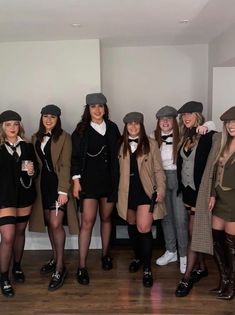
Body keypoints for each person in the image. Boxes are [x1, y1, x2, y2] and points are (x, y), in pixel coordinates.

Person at [29, 104, 79, 291]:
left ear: (58, 119)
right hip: (43, 187)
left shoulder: (64, 137)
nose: (48, 120)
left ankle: (60, 267)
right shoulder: (35, 137)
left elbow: (66, 164)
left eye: (53, 117)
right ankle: (55, 257)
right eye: (45, 116)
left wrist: (63, 191)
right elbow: (36, 163)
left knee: (57, 223)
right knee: (50, 223)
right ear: (41, 118)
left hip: (59, 186)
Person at [71, 93, 120, 285]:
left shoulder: (113, 127)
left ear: (105, 108)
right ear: (88, 109)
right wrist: (76, 181)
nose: (97, 110)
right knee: (87, 222)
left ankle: (105, 254)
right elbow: (75, 158)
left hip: (109, 182)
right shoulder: (81, 130)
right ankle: (82, 266)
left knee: (107, 218)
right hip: (89, 182)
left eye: (100, 106)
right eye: (93, 107)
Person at [117, 111, 166, 287]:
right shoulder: (120, 144)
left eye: (136, 123)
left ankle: (147, 268)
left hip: (145, 191)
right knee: (131, 225)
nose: (133, 126)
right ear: (125, 126)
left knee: (144, 227)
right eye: (129, 124)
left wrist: (160, 189)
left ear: (142, 125)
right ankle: (138, 257)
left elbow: (159, 170)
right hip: (126, 192)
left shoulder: (151, 144)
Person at [191, 106, 235, 300]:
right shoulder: (222, 142)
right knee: (217, 242)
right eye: (229, 123)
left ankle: (233, 285)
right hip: (218, 200)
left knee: (232, 248)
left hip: (234, 201)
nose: (232, 126)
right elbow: (212, 173)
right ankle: (224, 280)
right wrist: (210, 194)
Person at [175, 101, 216, 297]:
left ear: (198, 115)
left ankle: (187, 277)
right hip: (188, 192)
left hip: (201, 191)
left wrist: (209, 125)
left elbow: (221, 133)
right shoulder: (185, 136)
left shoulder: (206, 134)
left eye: (190, 114)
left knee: (194, 233)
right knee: (194, 231)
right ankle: (201, 267)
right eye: (183, 115)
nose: (186, 117)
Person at [0, 110, 37, 297]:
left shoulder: (28, 146)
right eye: (8, 125)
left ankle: (17, 266)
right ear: (2, 128)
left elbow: (34, 171)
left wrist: (31, 171)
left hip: (24, 194)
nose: (12, 128)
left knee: (20, 232)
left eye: (15, 124)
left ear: (19, 126)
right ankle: (3, 277)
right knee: (8, 236)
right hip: (4, 198)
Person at [152, 106, 188, 274]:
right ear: (158, 122)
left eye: (169, 119)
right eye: (162, 119)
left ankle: (183, 255)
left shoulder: (183, 136)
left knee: (180, 219)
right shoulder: (153, 138)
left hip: (179, 179)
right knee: (166, 217)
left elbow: (208, 128)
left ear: (175, 121)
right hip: (161, 179)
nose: (165, 122)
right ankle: (171, 251)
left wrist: (207, 125)